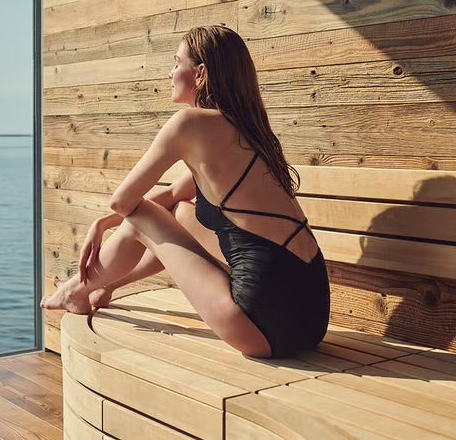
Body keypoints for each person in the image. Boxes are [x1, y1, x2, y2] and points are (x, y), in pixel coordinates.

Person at [41, 25, 330, 358]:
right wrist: (102, 224)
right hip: (311, 314)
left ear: (200, 73)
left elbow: (124, 203)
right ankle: (103, 287)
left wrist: (106, 222)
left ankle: (76, 289)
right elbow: (173, 195)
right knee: (178, 211)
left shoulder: (189, 123)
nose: (170, 72)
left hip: (263, 324)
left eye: (177, 62)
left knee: (141, 215)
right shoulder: (251, 131)